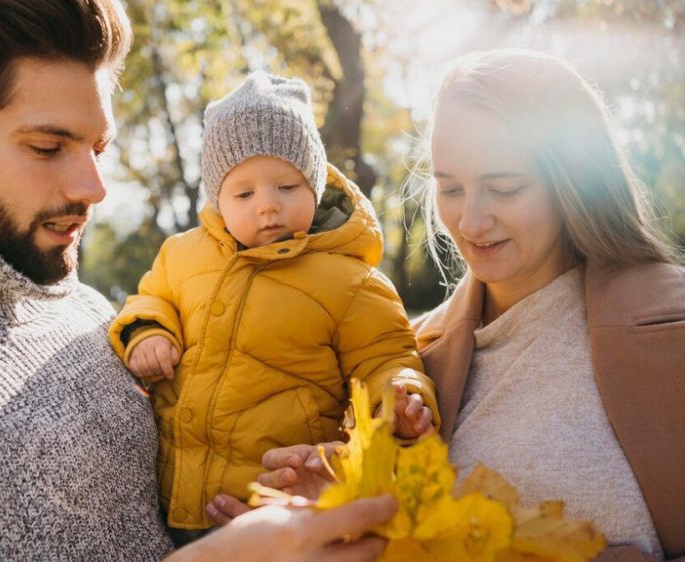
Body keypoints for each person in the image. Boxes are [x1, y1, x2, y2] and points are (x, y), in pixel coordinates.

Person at [0, 1, 398, 560]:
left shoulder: (91, 312)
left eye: (98, 148)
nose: (94, 187)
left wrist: (278, 500)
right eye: (48, 147)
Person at [213, 50, 685, 562]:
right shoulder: (407, 362)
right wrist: (338, 519)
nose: (471, 222)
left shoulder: (670, 327)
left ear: (575, 181)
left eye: (505, 187)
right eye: (451, 189)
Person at [108, 71, 438, 539]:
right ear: (218, 199)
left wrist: (401, 400)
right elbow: (150, 297)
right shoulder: (182, 255)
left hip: (274, 505)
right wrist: (148, 331)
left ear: (316, 186)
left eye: (287, 186)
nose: (267, 206)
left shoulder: (349, 281)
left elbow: (386, 355)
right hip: (171, 499)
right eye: (244, 193)